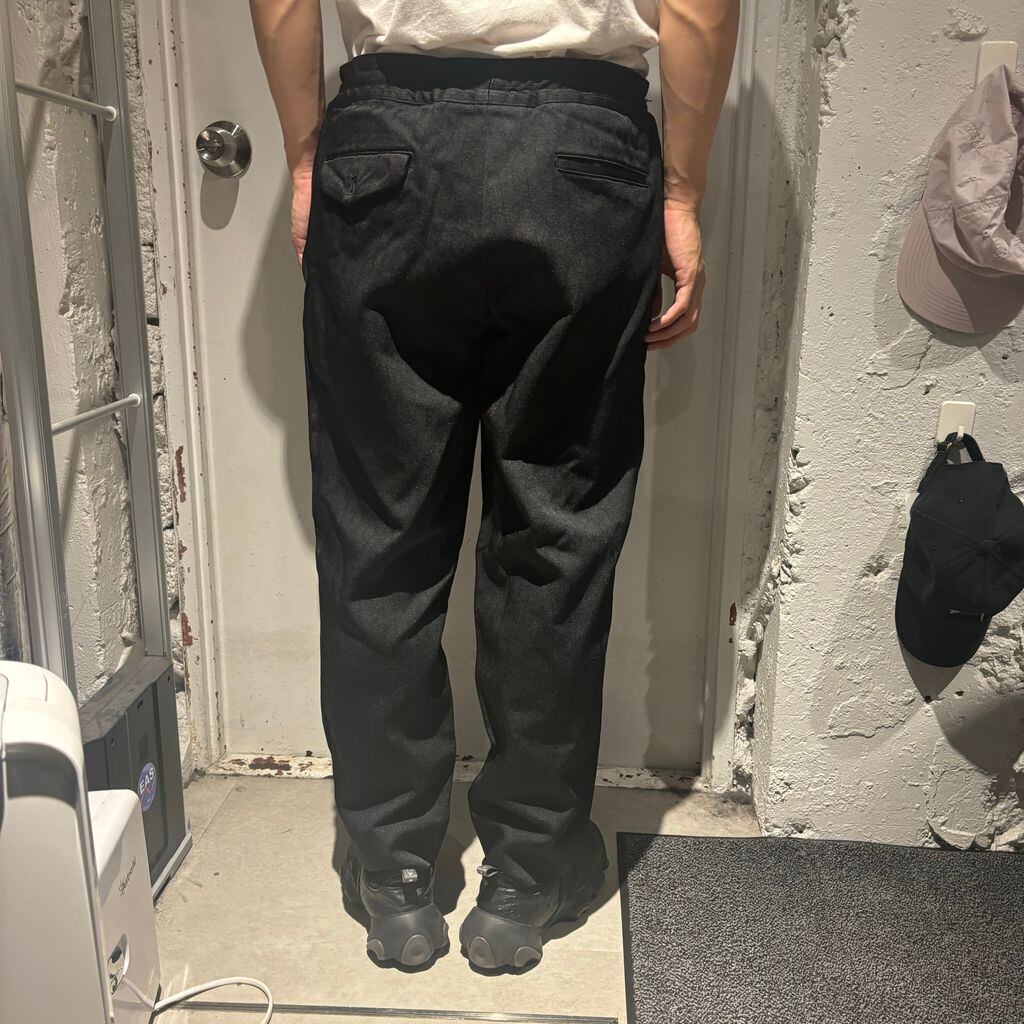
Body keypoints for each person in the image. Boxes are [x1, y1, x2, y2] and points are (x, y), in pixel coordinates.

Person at [249, 0, 739, 971]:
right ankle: (526, 876)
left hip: (386, 141)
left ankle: (392, 871)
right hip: (583, 151)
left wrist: (308, 157)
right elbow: (697, 7)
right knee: (555, 536)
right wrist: (680, 194)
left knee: (378, 533)